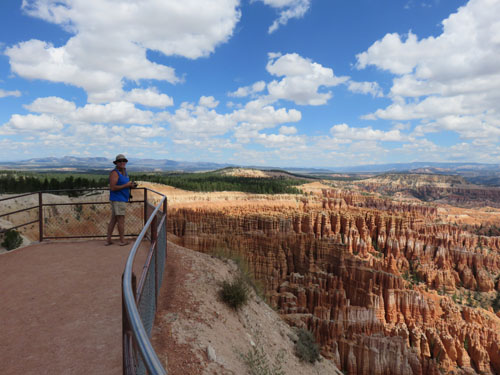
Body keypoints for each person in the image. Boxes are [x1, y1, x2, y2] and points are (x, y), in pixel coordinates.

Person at [106, 154, 137, 246]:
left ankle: (108, 240)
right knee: (121, 220)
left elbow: (123, 184)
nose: (122, 162)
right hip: (118, 200)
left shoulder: (124, 172)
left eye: (124, 161)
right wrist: (127, 185)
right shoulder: (114, 173)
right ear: (116, 163)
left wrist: (131, 185)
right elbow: (113, 187)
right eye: (120, 161)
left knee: (114, 220)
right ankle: (122, 241)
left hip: (121, 199)